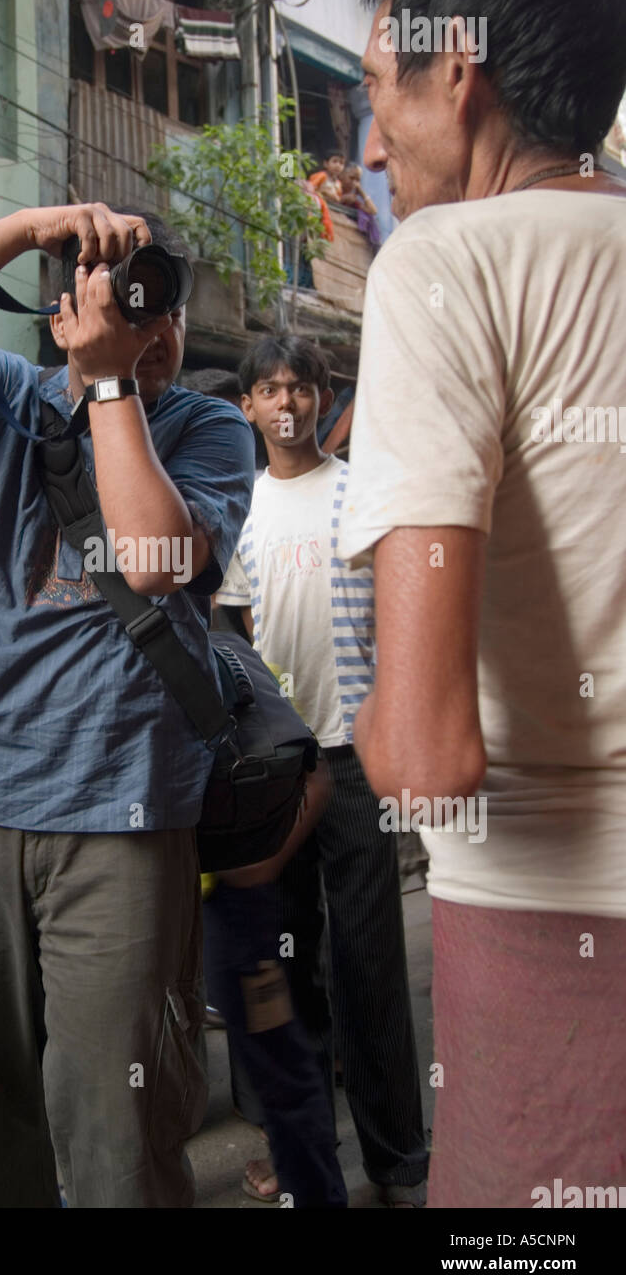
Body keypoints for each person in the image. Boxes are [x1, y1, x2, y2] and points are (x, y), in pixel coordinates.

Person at [0, 201, 256, 1208]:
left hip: (119, 809)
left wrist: (111, 380)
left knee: (120, 1131)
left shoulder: (209, 427)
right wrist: (26, 231)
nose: (148, 326)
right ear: (68, 305)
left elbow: (157, 559)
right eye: (121, 293)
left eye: (163, 305)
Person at [338, 0, 626, 1208]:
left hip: (553, 922)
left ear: (455, 75)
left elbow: (424, 756)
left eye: (369, 90)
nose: (368, 143)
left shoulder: (441, 268)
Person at [216, 333, 428, 1207]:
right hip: (274, 772)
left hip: (357, 763)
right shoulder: (237, 506)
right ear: (248, 409)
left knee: (369, 961)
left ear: (320, 397)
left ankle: (396, 1160)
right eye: (269, 390)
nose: (286, 404)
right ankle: (293, 1143)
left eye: (299, 387)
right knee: (281, 962)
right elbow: (227, 634)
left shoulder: (361, 496)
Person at [203, 755, 347, 1207]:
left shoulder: (236, 684)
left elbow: (313, 773)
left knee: (280, 1065)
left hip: (228, 904)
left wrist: (257, 866)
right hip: (174, 893)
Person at [338, 163, 382, 247]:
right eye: (351, 178)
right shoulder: (333, 190)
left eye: (358, 180)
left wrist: (361, 191)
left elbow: (373, 211)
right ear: (341, 175)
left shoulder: (353, 200)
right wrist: (342, 200)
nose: (354, 183)